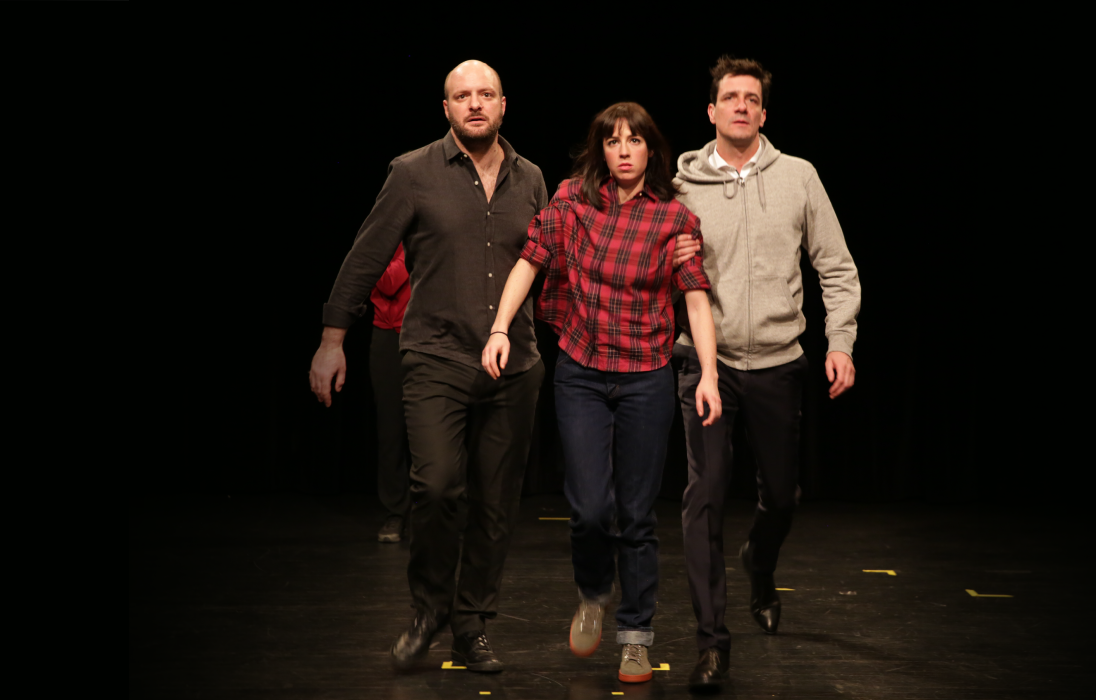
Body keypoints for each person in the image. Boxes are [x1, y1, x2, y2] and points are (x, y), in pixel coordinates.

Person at [309, 60, 549, 674]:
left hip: (514, 363)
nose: (475, 104)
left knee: (495, 504)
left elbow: (548, 266)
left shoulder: (531, 178)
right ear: (446, 109)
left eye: (486, 94)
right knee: (437, 486)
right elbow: (366, 256)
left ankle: (471, 625)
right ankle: (430, 609)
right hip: (436, 354)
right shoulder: (413, 172)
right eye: (461, 96)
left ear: (503, 105)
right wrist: (333, 339)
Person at [483, 102, 722, 684]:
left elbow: (695, 299)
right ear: (600, 150)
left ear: (650, 150)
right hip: (583, 372)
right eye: (612, 141)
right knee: (590, 509)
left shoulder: (673, 217)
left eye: (633, 141)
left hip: (646, 375)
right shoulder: (571, 200)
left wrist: (710, 376)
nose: (623, 151)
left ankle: (635, 638)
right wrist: (499, 327)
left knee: (636, 514)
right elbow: (529, 262)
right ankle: (593, 592)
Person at [671, 56, 863, 690]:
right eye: (731, 97)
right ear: (712, 111)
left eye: (751, 99)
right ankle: (712, 643)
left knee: (781, 496)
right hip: (707, 363)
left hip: (780, 360)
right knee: (705, 496)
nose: (741, 107)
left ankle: (759, 560)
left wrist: (840, 342)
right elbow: (655, 273)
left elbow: (836, 267)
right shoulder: (681, 187)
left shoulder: (798, 177)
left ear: (763, 112)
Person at [369, 243, 410, 543]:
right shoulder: (386, 236)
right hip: (388, 335)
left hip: (430, 333)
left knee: (438, 426)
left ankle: (443, 510)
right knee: (391, 429)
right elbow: (387, 281)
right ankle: (395, 511)